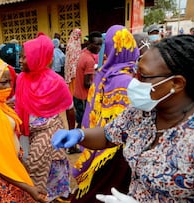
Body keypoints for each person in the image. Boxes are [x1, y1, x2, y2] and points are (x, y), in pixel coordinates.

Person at [52, 34, 194, 202]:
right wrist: (80, 135)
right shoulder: (143, 111)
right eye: (135, 71)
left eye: (143, 76)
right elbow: (109, 135)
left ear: (177, 83)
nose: (134, 80)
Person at [71, 25, 139, 203]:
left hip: (100, 140)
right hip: (121, 149)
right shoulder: (131, 80)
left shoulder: (103, 74)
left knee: (100, 186)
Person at [0, 54, 47, 203]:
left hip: (11, 168)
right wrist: (29, 188)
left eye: (10, 82)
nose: (8, 87)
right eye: (2, 82)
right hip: (2, 178)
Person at [15, 33, 73, 202]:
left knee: (54, 172)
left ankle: (54, 198)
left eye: (24, 58)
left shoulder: (56, 82)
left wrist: (70, 134)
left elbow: (70, 109)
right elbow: (20, 107)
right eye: (20, 57)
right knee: (30, 167)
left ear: (37, 58)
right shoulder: (21, 79)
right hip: (30, 134)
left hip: (53, 134)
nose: (20, 61)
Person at [73, 31, 103, 129]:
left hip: (77, 94)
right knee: (83, 122)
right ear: (89, 43)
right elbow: (86, 83)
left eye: (101, 44)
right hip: (83, 96)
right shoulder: (89, 60)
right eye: (97, 44)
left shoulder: (84, 53)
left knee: (80, 120)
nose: (99, 48)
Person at [64, 28, 82, 95]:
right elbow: (69, 59)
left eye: (79, 35)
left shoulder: (77, 43)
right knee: (73, 86)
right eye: (77, 35)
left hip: (77, 69)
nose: (78, 37)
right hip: (72, 70)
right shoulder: (71, 45)